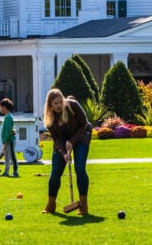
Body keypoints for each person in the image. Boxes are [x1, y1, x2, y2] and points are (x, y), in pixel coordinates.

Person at [41, 88, 91, 216]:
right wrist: (63, 153)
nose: (58, 105)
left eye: (59, 102)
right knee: (55, 173)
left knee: (80, 169)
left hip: (81, 137)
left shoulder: (72, 105)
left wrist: (72, 141)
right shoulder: (50, 119)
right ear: (50, 105)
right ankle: (51, 203)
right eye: (55, 103)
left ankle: (83, 204)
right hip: (62, 142)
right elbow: (56, 139)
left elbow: (84, 124)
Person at [0, 97, 19, 178]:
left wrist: (6, 139)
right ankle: (6, 172)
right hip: (6, 140)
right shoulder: (6, 117)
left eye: (0, 107)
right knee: (7, 157)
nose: (0, 109)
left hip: (9, 140)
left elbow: (8, 130)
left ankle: (15, 172)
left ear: (4, 107)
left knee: (12, 156)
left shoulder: (8, 117)